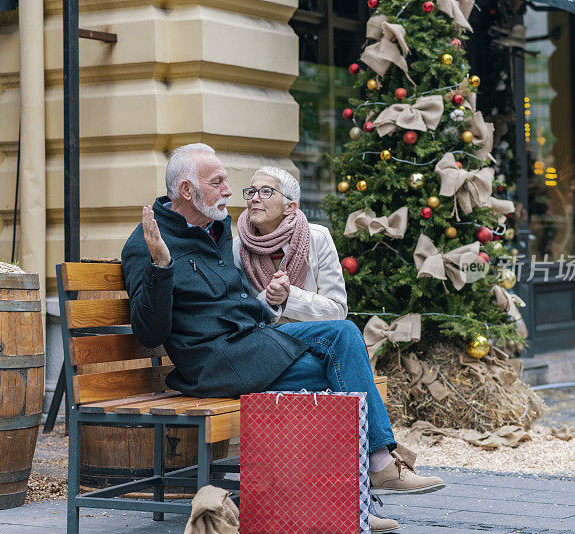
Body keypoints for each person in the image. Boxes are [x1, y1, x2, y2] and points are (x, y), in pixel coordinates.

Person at [121, 143, 444, 532]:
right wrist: (161, 266)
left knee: (342, 340)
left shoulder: (217, 230)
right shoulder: (148, 243)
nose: (229, 190)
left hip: (250, 346)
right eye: (218, 182)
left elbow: (239, 300)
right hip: (213, 364)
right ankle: (360, 489)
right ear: (188, 191)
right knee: (338, 364)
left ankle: (358, 490)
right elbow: (148, 332)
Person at [233, 166, 348, 324]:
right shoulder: (237, 247)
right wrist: (270, 298)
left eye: (266, 191)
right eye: (251, 191)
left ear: (289, 207)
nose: (254, 198)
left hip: (312, 337)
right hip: (263, 338)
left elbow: (338, 311)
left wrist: (289, 297)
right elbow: (236, 312)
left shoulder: (317, 238)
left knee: (346, 329)